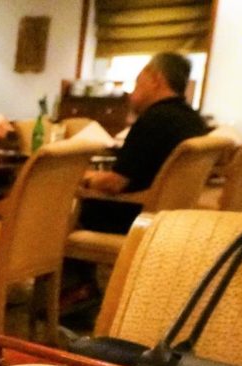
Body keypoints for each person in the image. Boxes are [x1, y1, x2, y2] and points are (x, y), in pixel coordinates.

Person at [78, 52, 208, 234]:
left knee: (66, 205)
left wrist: (85, 178)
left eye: (138, 83)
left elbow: (114, 184)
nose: (132, 93)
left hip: (136, 218)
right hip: (173, 220)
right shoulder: (195, 120)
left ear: (156, 79)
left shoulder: (154, 120)